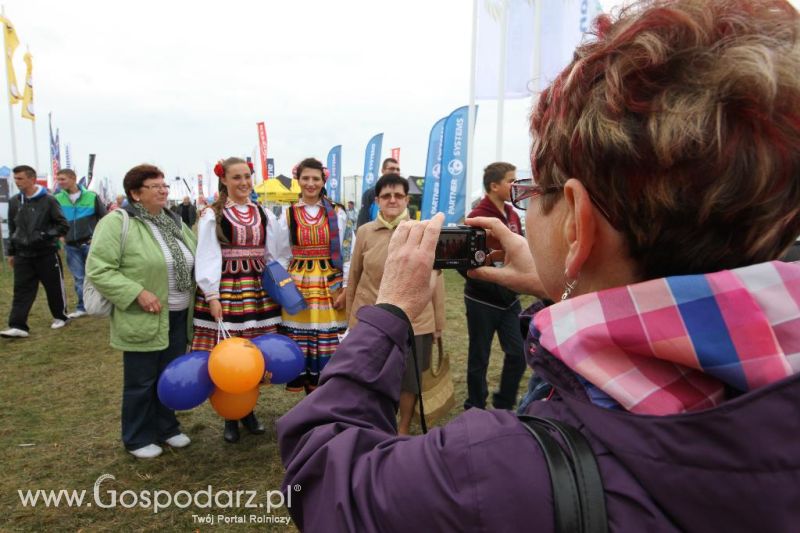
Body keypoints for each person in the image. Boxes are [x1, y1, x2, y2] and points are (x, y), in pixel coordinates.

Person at [277, 1, 800, 530]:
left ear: (575, 220)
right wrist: (565, 282)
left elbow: (317, 474)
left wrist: (388, 313)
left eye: (534, 191)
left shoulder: (490, 473)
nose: (526, 204)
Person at [86, 164, 196, 459]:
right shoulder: (117, 223)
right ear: (136, 194)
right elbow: (99, 268)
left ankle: (167, 427)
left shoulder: (175, 222)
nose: (163, 190)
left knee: (168, 375)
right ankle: (136, 436)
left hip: (178, 313)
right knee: (141, 380)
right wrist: (137, 293)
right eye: (155, 186)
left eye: (164, 185)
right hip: (143, 314)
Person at [346, 174, 445, 435]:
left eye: (398, 195)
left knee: (409, 381)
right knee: (374, 378)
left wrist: (438, 325)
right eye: (386, 196)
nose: (392, 200)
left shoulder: (422, 232)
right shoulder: (365, 232)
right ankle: (377, 425)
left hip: (416, 322)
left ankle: (400, 432)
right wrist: (351, 320)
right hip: (372, 321)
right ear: (377, 200)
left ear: (406, 199)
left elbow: (436, 280)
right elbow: (354, 276)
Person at [193, 157, 283, 443]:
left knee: (254, 352)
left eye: (247, 176)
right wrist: (211, 294)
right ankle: (230, 416)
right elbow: (207, 254)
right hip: (229, 289)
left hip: (256, 291)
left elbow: (272, 253)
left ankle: (249, 410)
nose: (244, 183)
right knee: (229, 354)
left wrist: (277, 285)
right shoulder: (213, 215)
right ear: (224, 180)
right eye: (236, 178)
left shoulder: (263, 213)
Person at [277, 157, 352, 394]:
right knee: (303, 344)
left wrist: (347, 286)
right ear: (298, 180)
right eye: (305, 178)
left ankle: (325, 399)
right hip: (298, 286)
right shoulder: (287, 214)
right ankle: (309, 404)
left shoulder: (337, 213)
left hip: (330, 285)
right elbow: (279, 254)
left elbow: (348, 251)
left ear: (323, 181)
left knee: (328, 341)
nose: (310, 183)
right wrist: (283, 288)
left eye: (315, 179)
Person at [462, 162, 526, 411]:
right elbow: (464, 262)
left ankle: (503, 405)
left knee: (518, 355)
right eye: (511, 180)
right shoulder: (478, 215)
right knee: (479, 359)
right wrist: (491, 283)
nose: (515, 185)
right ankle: (475, 407)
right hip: (482, 300)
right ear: (494, 185)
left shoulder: (512, 213)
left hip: (510, 299)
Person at [1, 165, 70, 338]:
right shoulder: (14, 201)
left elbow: (62, 225)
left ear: (32, 179)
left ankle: (60, 316)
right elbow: (12, 227)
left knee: (53, 287)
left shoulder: (49, 200)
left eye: (20, 178)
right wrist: (11, 252)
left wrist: (44, 235)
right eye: (15, 179)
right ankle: (18, 325)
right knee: (22, 289)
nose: (17, 182)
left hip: (46, 252)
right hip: (23, 254)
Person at [54, 168, 107, 319]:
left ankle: (104, 302)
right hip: (71, 245)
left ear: (73, 178)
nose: (60, 182)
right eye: (58, 179)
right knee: (79, 277)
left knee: (98, 274)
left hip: (91, 243)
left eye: (63, 179)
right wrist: (60, 237)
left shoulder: (92, 196)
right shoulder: (57, 198)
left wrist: (98, 237)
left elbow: (104, 218)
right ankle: (82, 306)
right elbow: (55, 220)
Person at [356, 158, 400, 228]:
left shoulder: (402, 194)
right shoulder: (370, 193)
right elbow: (362, 221)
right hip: (374, 237)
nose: (395, 172)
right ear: (383, 171)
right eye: (392, 169)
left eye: (398, 169)